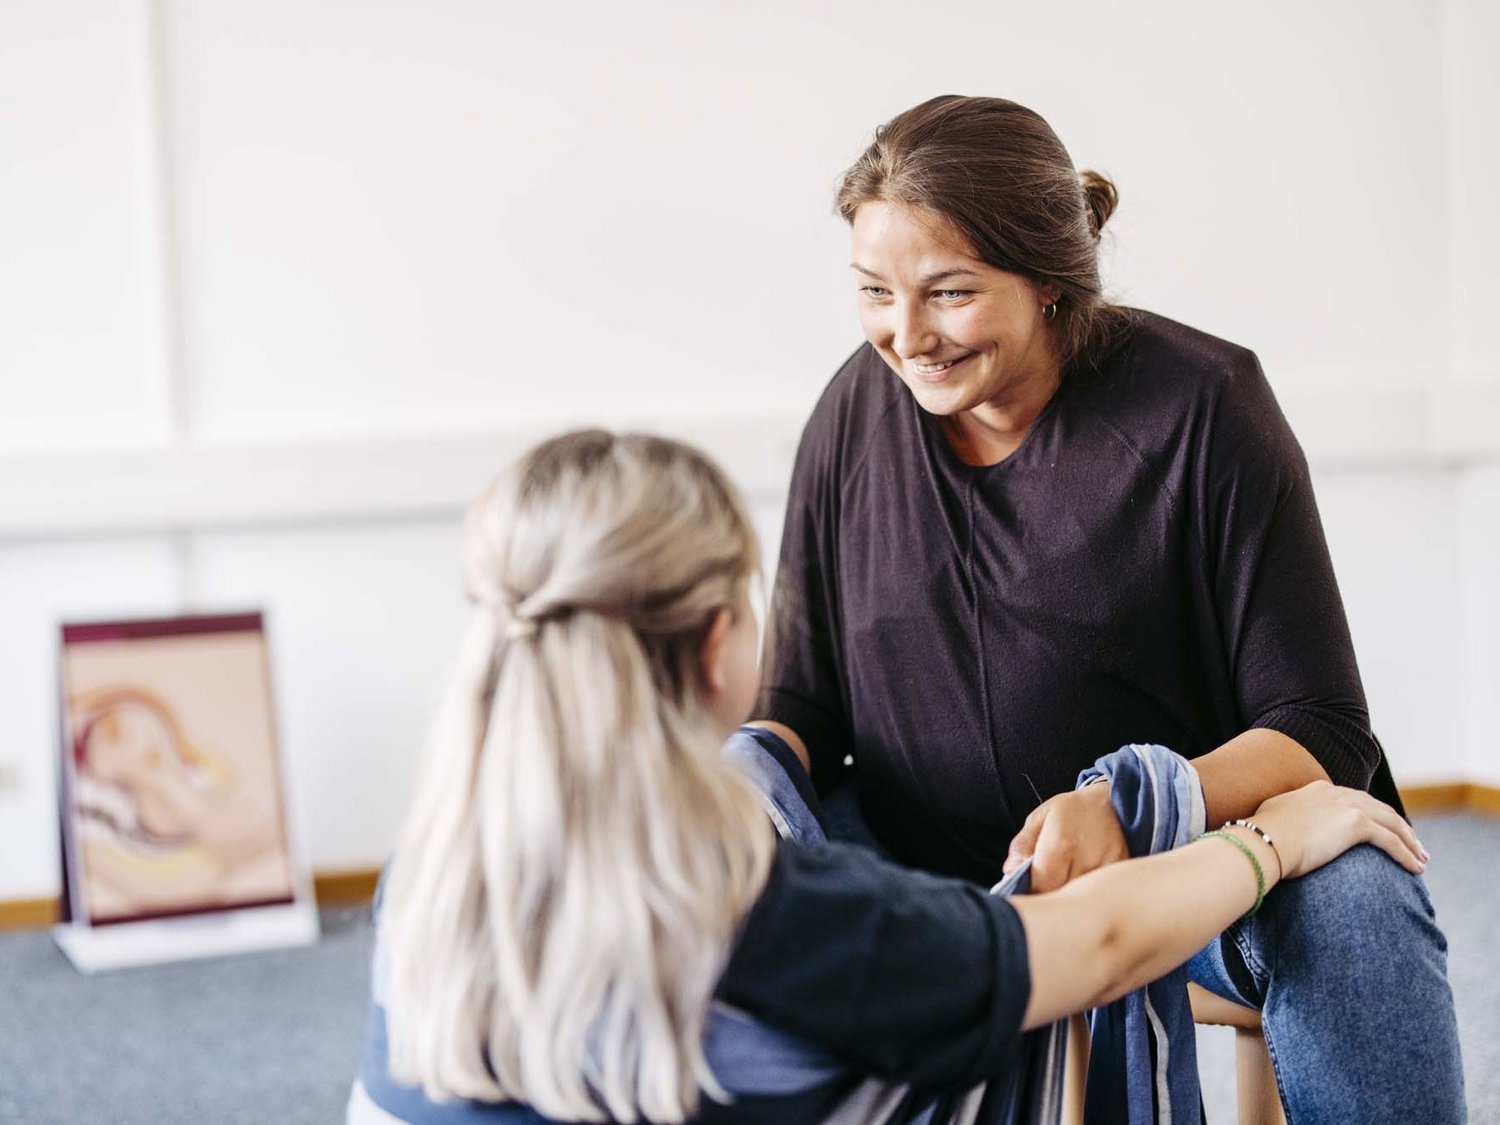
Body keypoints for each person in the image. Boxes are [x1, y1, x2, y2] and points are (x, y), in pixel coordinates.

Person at [349, 429, 1424, 1124]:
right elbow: (1090, 946)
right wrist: (1274, 837)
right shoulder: (762, 914)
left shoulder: (434, 872)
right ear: (723, 641)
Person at [753, 95, 1465, 1121]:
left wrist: (1131, 807)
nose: (904, 337)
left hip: (1185, 875)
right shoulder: (852, 413)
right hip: (932, 880)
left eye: (948, 293)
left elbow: (1324, 731)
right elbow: (800, 705)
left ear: (1048, 279)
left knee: (1356, 904)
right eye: (873, 292)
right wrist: (736, 780)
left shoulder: (1204, 404)